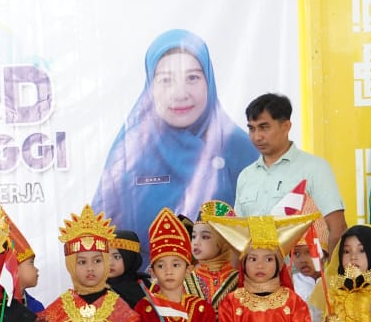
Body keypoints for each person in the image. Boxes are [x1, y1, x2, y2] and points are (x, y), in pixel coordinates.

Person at [92, 29, 257, 258]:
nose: (180, 93)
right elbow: (97, 240)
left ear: (208, 80)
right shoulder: (130, 153)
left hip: (225, 288)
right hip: (144, 291)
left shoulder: (238, 149)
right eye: (166, 80)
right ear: (150, 85)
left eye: (192, 78)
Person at [235, 93, 347, 252]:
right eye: (251, 129)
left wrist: (328, 274)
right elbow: (238, 235)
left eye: (264, 127)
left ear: (286, 126)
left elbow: (337, 228)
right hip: (255, 273)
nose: (257, 136)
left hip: (304, 274)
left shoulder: (314, 168)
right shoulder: (246, 176)